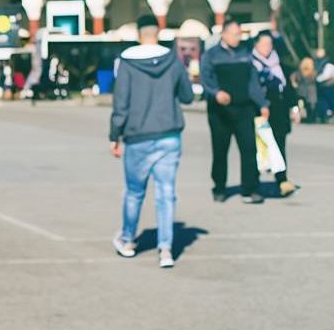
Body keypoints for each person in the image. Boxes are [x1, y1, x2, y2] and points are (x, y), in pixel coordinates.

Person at [108, 14, 194, 268]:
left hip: (137, 137)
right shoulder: (172, 60)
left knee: (135, 192)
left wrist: (115, 135)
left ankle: (127, 239)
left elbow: (120, 104)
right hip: (169, 135)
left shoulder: (127, 62)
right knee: (166, 193)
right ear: (158, 32)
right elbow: (187, 96)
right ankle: (165, 249)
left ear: (138, 35)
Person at [199, 20, 269, 204]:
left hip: (244, 108)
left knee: (249, 149)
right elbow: (205, 79)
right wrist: (216, 93)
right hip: (220, 112)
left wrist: (262, 104)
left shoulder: (246, 54)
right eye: (235, 34)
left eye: (240, 34)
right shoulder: (211, 55)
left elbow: (253, 82)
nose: (238, 38)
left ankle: (250, 188)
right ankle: (220, 187)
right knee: (220, 150)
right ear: (224, 34)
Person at [251, 33, 299, 197]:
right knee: (258, 148)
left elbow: (289, 90)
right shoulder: (252, 64)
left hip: (279, 111)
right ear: (256, 45)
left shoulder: (279, 64)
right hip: (259, 111)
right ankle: (253, 182)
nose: (267, 47)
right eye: (264, 44)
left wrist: (294, 108)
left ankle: (282, 180)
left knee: (280, 145)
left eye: (270, 44)